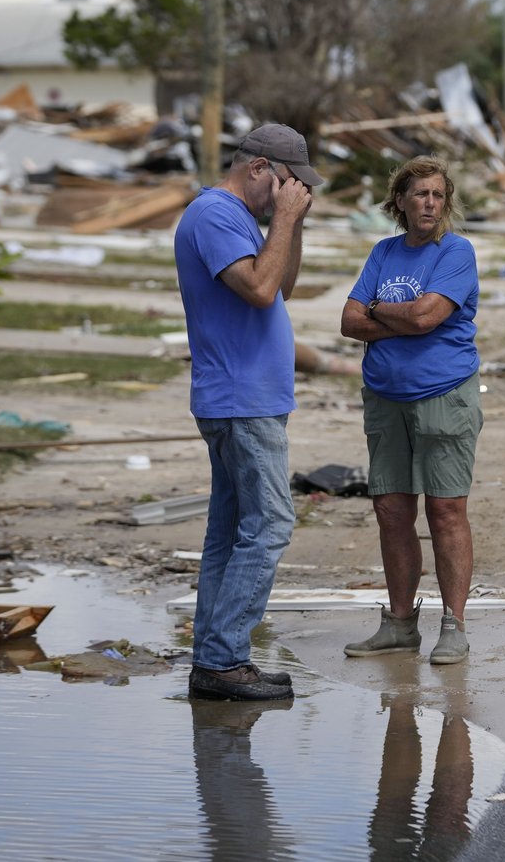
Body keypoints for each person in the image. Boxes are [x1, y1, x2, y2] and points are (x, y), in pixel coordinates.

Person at [175, 122, 322, 700]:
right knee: (270, 525)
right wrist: (283, 220)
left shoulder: (242, 220)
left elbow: (281, 285)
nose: (290, 195)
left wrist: (294, 222)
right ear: (259, 168)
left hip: (253, 398)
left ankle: (215, 657)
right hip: (240, 400)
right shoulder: (212, 215)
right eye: (287, 184)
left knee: (231, 532)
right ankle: (223, 659)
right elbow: (258, 291)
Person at [340, 155, 482, 665]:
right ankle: (400, 624)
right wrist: (394, 317)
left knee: (445, 510)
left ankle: (454, 625)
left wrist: (380, 311)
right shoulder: (383, 252)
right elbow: (348, 322)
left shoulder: (456, 252)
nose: (430, 203)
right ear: (399, 201)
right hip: (385, 397)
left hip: (444, 395)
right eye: (420, 194)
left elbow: (426, 317)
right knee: (391, 511)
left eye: (438, 195)